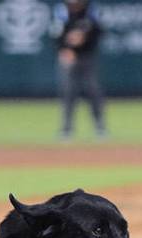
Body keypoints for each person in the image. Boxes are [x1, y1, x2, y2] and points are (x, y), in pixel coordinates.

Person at [54, 0, 106, 140]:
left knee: (92, 90)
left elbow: (100, 32)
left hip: (87, 56)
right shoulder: (62, 10)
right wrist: (65, 49)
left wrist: (84, 37)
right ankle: (66, 129)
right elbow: (55, 34)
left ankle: (100, 127)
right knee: (69, 91)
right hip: (69, 57)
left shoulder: (91, 10)